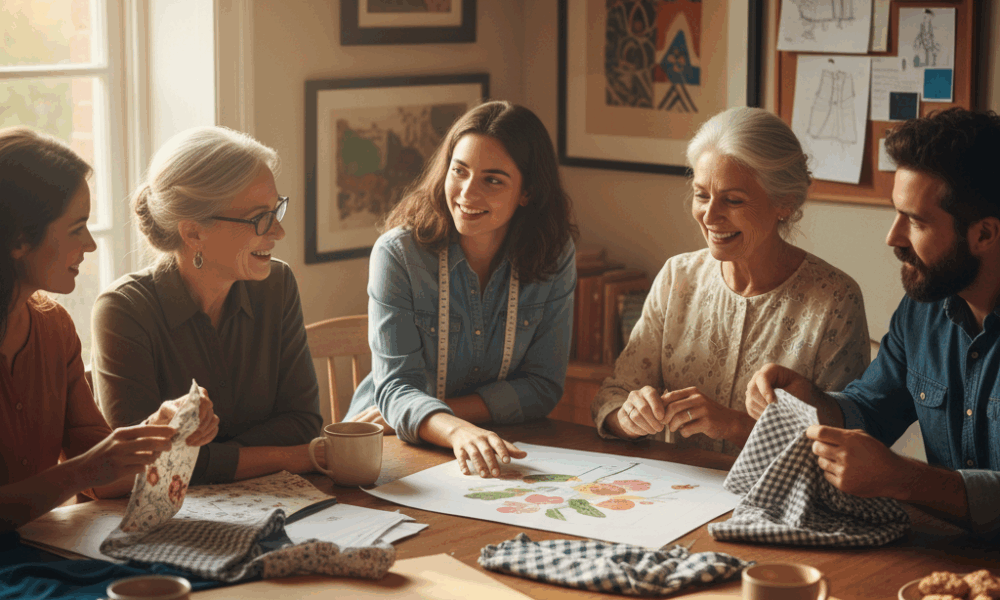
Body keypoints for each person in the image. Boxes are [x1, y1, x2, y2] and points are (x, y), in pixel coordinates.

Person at [746, 108, 1000, 539]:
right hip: (945, 553)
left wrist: (905, 479)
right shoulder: (921, 311)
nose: (893, 237)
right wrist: (811, 401)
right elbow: (870, 411)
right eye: (896, 214)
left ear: (984, 234)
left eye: (915, 221)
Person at [592, 106, 870, 456]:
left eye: (733, 200)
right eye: (701, 195)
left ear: (784, 203)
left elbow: (841, 447)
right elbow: (612, 397)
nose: (710, 216)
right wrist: (628, 417)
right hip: (677, 486)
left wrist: (734, 426)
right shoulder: (677, 277)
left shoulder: (835, 299)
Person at [0, 127, 218, 531]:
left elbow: (104, 481)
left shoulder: (54, 328)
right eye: (76, 228)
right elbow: (88, 471)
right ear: (18, 240)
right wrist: (83, 471)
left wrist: (162, 428)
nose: (90, 243)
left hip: (38, 548)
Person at [345, 101, 577, 478]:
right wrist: (454, 429)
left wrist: (446, 418)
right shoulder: (398, 255)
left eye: (493, 180)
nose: (467, 193)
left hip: (482, 443)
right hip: (387, 441)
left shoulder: (554, 254)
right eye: (460, 171)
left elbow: (542, 387)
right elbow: (396, 390)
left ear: (528, 191)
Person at [91, 126, 322, 485]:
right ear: (193, 233)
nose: (278, 232)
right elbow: (137, 468)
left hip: (272, 498)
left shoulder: (277, 285)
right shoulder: (123, 311)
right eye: (260, 218)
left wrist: (203, 458)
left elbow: (304, 423)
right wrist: (286, 457)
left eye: (276, 210)